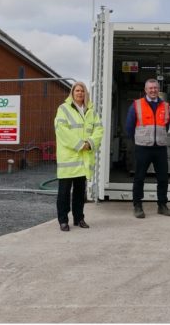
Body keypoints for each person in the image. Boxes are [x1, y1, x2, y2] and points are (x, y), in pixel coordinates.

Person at [54, 81, 103, 231]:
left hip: (83, 160)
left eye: (82, 91)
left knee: (79, 192)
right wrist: (81, 145)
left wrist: (90, 142)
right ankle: (63, 220)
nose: (80, 93)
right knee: (63, 193)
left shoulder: (91, 111)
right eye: (77, 91)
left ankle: (79, 218)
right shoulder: (63, 109)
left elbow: (99, 129)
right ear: (72, 93)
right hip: (69, 158)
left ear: (85, 93)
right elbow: (61, 130)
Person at [125, 78, 170, 218]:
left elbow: (167, 124)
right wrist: (138, 140)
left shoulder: (165, 105)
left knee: (163, 178)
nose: (153, 90)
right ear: (145, 90)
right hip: (143, 147)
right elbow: (129, 127)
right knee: (139, 177)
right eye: (150, 88)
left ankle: (162, 205)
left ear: (158, 89)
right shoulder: (137, 105)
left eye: (155, 88)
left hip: (160, 147)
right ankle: (137, 206)